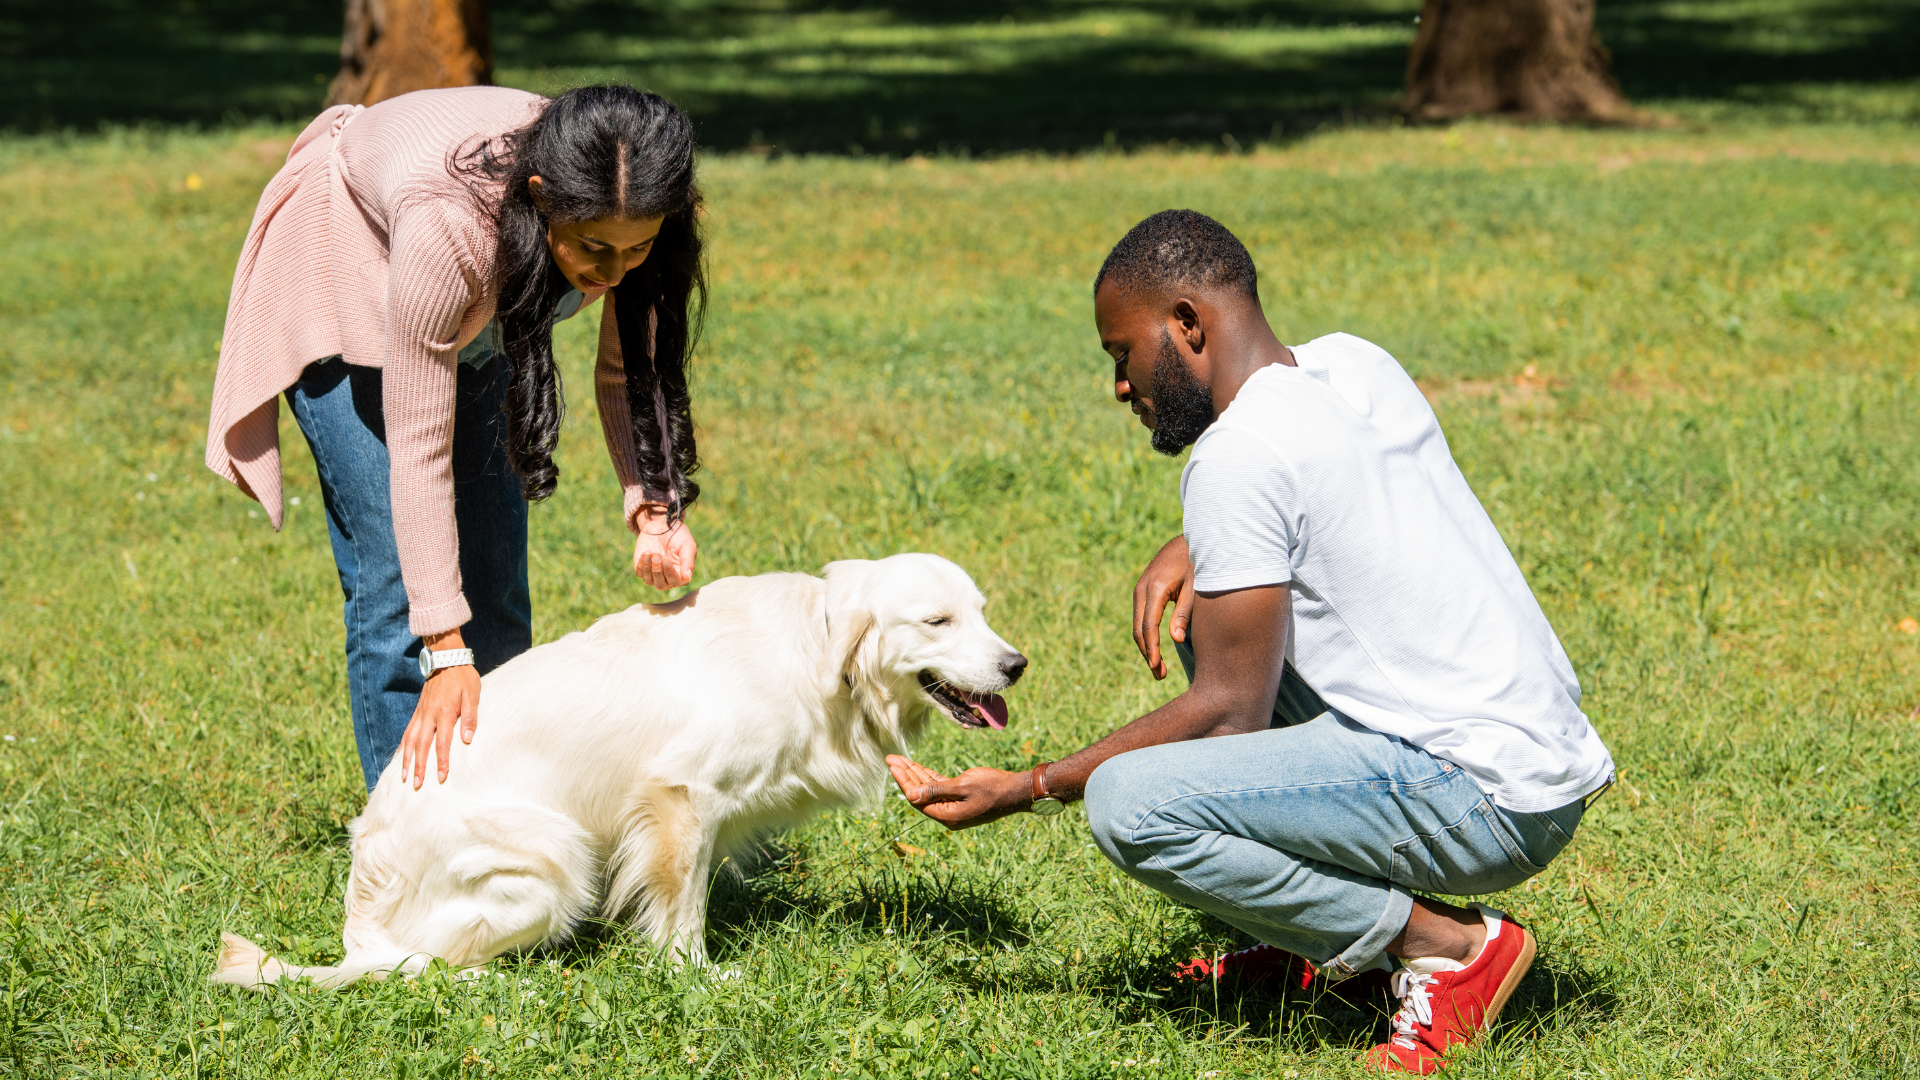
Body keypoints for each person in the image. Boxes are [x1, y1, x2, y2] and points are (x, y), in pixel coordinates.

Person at [887, 210, 1615, 1074]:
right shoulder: (1353, 362)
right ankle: (1327, 945)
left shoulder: (1237, 457)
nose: (1122, 386)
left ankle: (1447, 948)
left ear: (1187, 324)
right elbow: (1329, 480)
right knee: (1212, 614)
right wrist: (1200, 541)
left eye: (1122, 353)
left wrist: (1034, 786)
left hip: (1479, 797)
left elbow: (1229, 712)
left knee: (1133, 806)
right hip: (1533, 750)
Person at [207, 85, 706, 793]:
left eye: (638, 248)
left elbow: (634, 372)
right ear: (540, 195)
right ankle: (406, 846)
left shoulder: (632, 196)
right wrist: (444, 650)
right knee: (396, 590)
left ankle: (501, 810)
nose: (613, 271)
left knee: (494, 580)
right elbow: (418, 443)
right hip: (348, 274)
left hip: (473, 300)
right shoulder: (451, 226)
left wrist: (656, 506)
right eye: (594, 247)